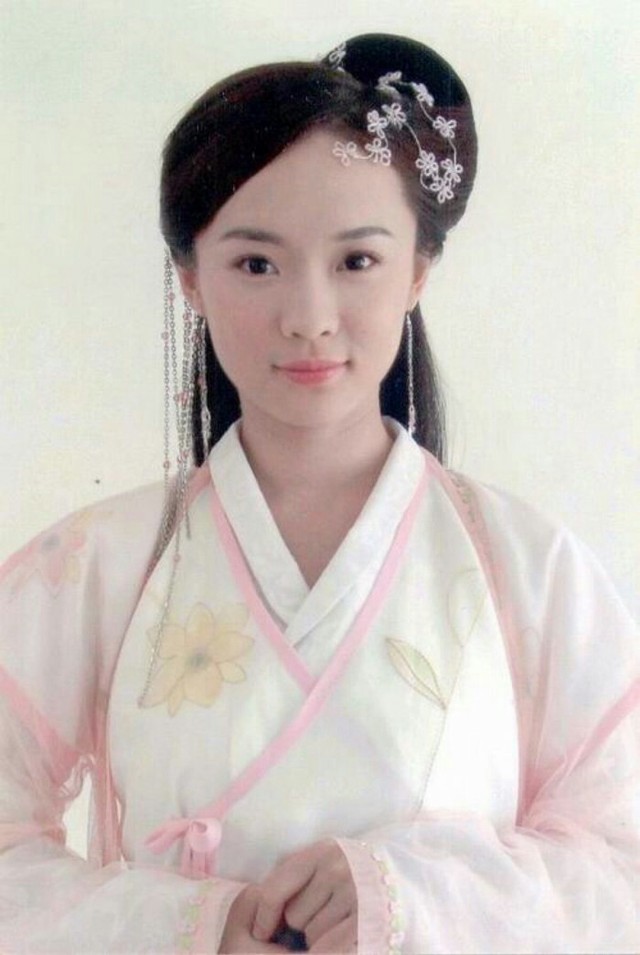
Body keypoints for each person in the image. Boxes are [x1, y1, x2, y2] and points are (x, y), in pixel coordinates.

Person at [0, 31, 638, 955]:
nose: (308, 317)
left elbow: (621, 861)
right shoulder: (96, 566)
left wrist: (402, 897)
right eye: (256, 263)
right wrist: (190, 926)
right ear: (191, 277)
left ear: (418, 269)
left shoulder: (530, 567)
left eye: (357, 261)